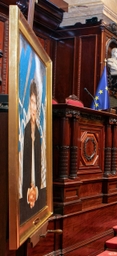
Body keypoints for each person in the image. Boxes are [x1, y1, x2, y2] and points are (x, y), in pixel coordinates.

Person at [19, 79, 46, 224]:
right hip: (27, 185)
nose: (33, 107)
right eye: (31, 103)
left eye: (35, 103)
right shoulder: (25, 129)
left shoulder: (40, 132)